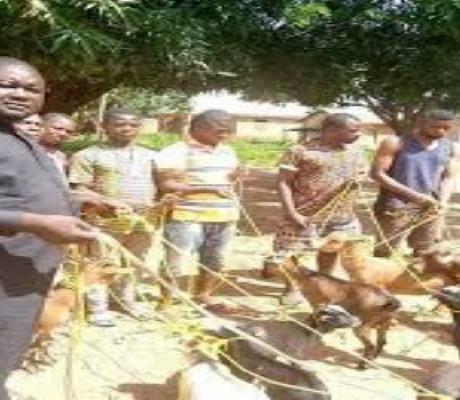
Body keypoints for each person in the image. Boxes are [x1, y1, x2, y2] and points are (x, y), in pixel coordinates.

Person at [0, 57, 98, 400]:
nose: (19, 94)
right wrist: (38, 223)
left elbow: (24, 191)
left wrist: (78, 202)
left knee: (10, 343)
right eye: (8, 85)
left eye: (31, 89)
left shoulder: (18, 137)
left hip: (23, 274)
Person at [69, 107, 158, 326]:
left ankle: (127, 300)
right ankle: (98, 308)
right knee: (101, 261)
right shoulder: (88, 155)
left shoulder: (152, 155)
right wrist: (108, 201)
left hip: (143, 220)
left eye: (133, 124)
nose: (127, 128)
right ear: (105, 127)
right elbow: (78, 190)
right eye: (120, 124)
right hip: (104, 220)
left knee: (135, 262)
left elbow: (161, 185)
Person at [272, 113, 366, 304]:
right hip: (305, 214)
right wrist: (292, 213)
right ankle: (292, 288)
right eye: (353, 130)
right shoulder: (300, 151)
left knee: (330, 251)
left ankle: (323, 286)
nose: (358, 134)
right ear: (332, 130)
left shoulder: (356, 151)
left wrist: (359, 179)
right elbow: (283, 182)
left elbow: (362, 172)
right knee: (292, 253)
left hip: (343, 216)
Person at [155, 109, 240, 312]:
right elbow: (166, 185)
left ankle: (203, 295)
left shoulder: (227, 151)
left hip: (223, 215)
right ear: (198, 127)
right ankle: (166, 301)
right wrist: (208, 189)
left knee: (214, 260)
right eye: (219, 125)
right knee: (176, 260)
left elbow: (226, 181)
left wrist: (236, 176)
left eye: (230, 125)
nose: (227, 129)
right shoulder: (175, 151)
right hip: (186, 215)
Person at [371, 109, 460, 257]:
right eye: (435, 127)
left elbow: (448, 177)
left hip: (431, 207)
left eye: (446, 128)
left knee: (426, 252)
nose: (441, 131)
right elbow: (377, 174)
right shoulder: (395, 142)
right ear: (421, 123)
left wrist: (442, 202)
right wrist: (414, 196)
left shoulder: (451, 148)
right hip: (397, 206)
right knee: (384, 252)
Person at [39, 113, 76, 178]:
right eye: (58, 128)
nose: (63, 134)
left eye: (68, 132)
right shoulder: (26, 150)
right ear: (42, 126)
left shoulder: (61, 156)